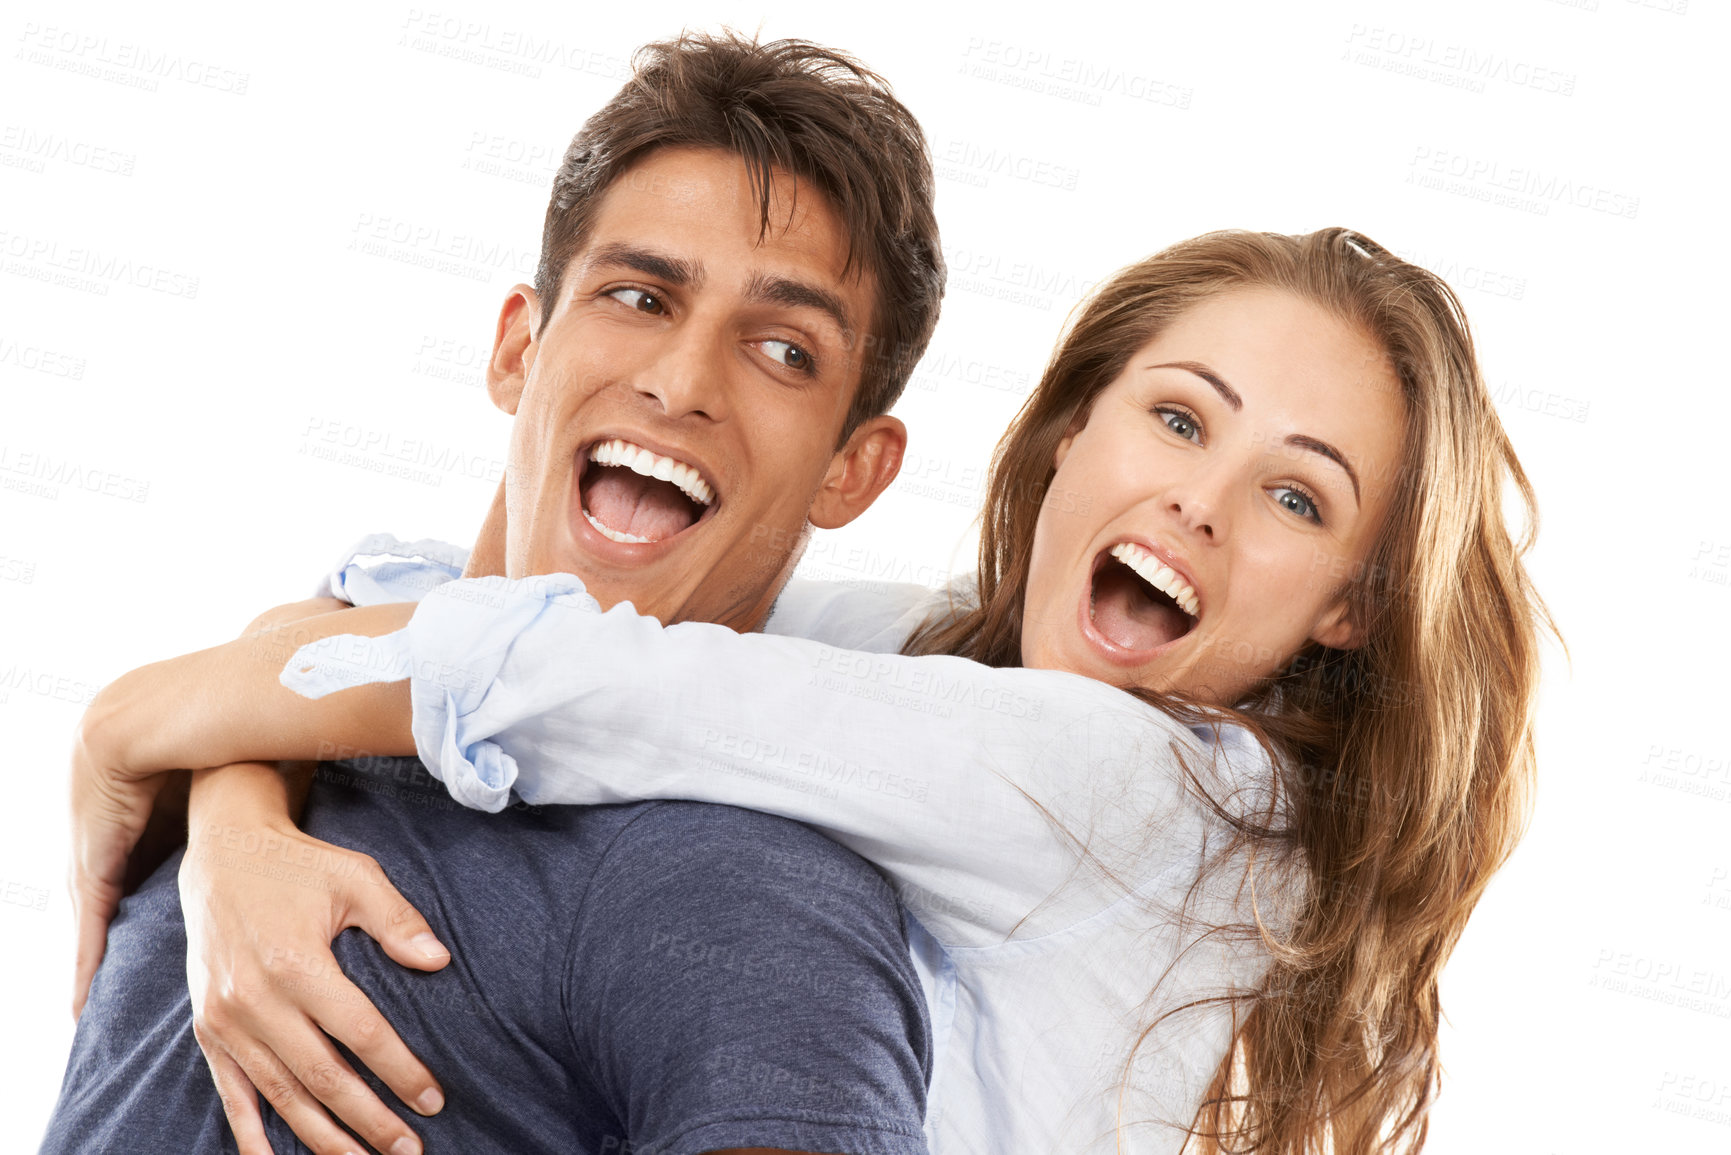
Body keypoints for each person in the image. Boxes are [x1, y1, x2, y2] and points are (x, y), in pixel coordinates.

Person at [77, 227, 1553, 1152]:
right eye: (1177, 420)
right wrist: (238, 817)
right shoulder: (940, 665)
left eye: (1295, 498)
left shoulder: (1144, 777)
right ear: (1064, 436)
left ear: (1349, 602)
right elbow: (439, 590)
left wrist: (127, 727)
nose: (1200, 505)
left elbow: (583, 684)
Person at [51, 30, 948, 1155]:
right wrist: (233, 803)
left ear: (852, 469)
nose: (680, 383)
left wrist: (131, 732)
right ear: (518, 348)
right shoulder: (285, 711)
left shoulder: (748, 892)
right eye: (638, 295)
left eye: (783, 352)